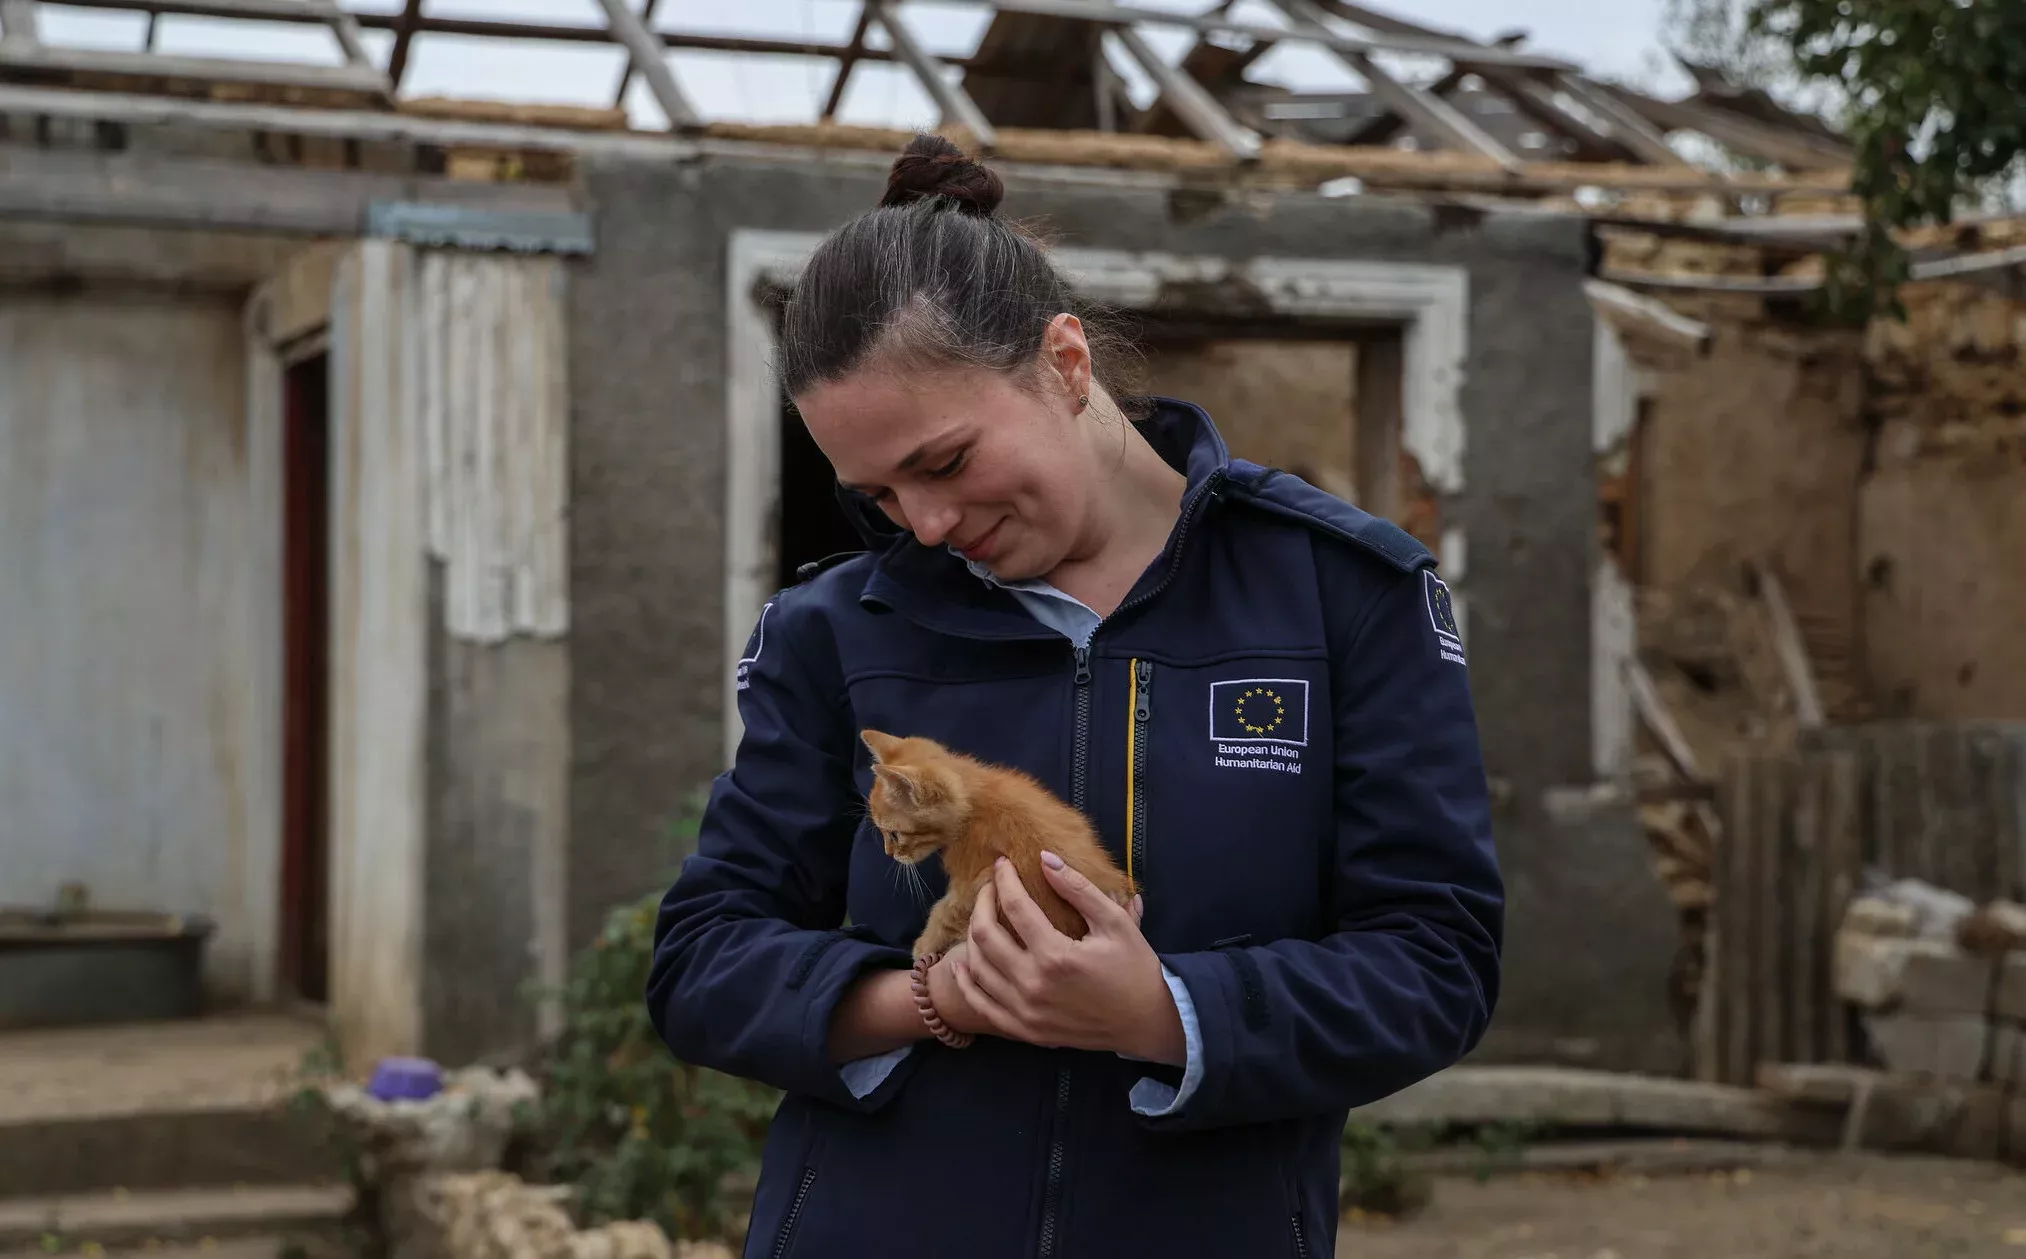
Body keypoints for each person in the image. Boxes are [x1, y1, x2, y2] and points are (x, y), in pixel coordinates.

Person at [647, 133, 1503, 1259]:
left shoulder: (1342, 596)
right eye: (879, 494)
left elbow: (1432, 957)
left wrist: (1161, 1012)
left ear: (1063, 363)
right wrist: (941, 997)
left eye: (945, 462)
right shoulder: (837, 631)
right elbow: (703, 957)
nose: (930, 524)